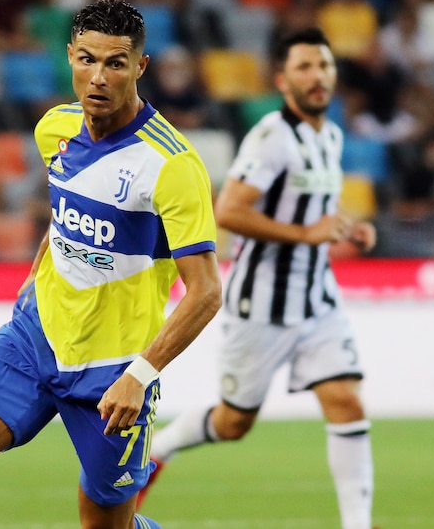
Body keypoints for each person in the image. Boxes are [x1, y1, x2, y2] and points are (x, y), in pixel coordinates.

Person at [0, 0, 221, 529]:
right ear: (70, 56)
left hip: (115, 369)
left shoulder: (172, 165)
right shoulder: (55, 129)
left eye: (116, 63)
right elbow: (64, 211)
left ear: (140, 67)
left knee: (102, 523)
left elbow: (207, 291)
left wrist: (140, 375)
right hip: (36, 336)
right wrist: (34, 277)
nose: (98, 76)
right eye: (87, 59)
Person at [139, 28, 377, 529]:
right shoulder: (271, 137)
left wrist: (347, 229)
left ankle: (357, 523)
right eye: (306, 67)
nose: (318, 77)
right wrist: (303, 232)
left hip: (317, 297)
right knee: (233, 422)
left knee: (346, 399)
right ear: (282, 79)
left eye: (325, 66)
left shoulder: (329, 135)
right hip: (261, 302)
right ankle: (161, 448)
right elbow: (227, 211)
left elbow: (314, 211)